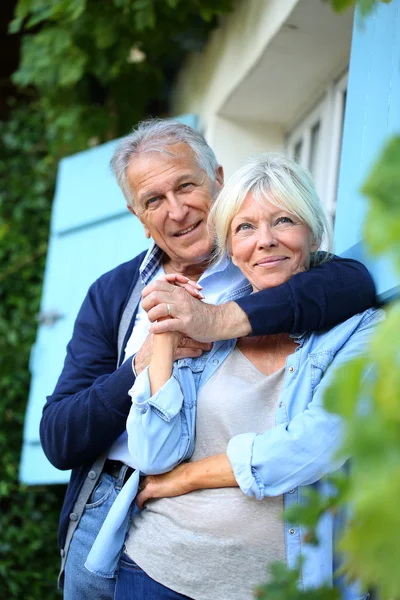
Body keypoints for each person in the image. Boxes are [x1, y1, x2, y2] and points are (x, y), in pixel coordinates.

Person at [39, 120, 376, 600]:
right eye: (154, 200)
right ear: (138, 215)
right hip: (110, 504)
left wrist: (214, 320)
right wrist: (145, 360)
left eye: (186, 185)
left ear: (218, 178)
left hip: (239, 520)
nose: (176, 211)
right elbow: (59, 436)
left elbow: (350, 283)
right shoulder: (114, 292)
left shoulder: (260, 266)